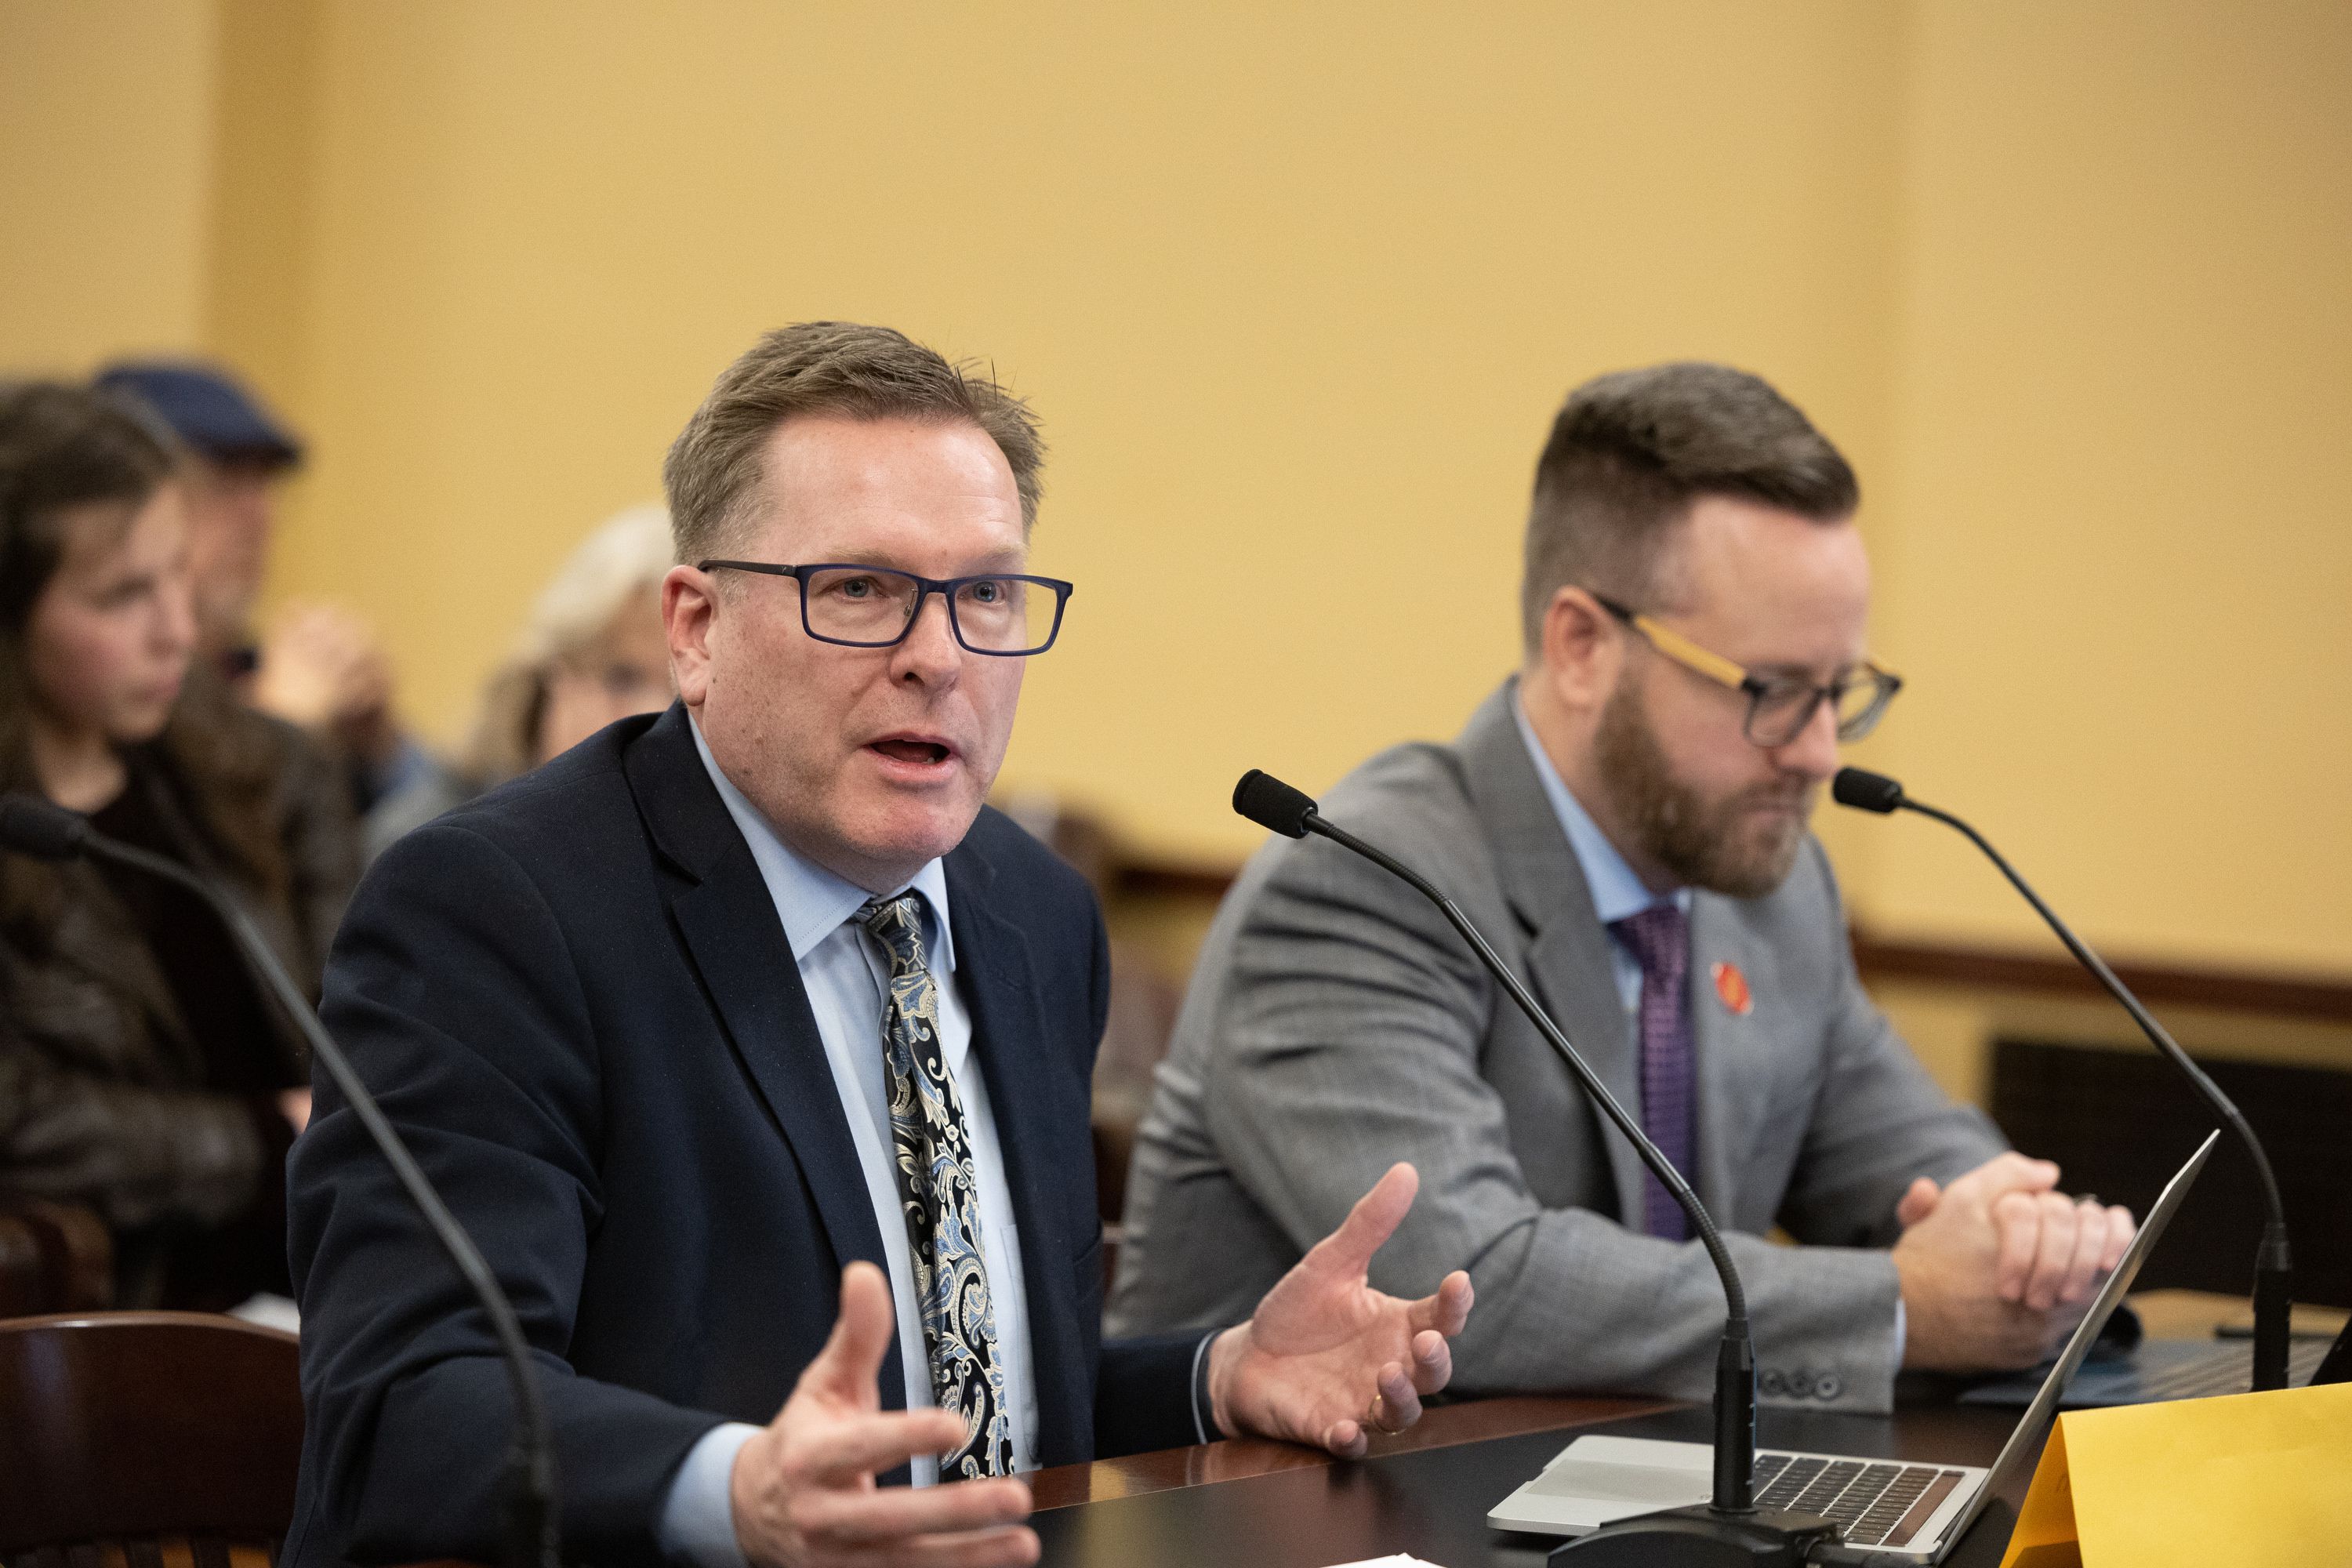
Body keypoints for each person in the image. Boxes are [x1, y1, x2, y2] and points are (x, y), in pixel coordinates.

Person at [285, 323, 1475, 1568]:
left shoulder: (1032, 911)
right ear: (693, 629)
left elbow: (972, 1408)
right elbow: (407, 1403)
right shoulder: (496, 909)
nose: (938, 658)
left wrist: (1218, 1379)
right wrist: (737, 1492)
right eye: (859, 590)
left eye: (987, 595)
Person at [1106, 362, 2136, 1415]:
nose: (1820, 752)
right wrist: (1907, 1308)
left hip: (1628, 1502)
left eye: (1842, 693)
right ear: (1585, 645)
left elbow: (1911, 1148)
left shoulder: (1765, 887)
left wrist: (2025, 1241)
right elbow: (1476, 1286)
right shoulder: (1364, 886)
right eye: (1776, 692)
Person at [0, 381, 355, 1309]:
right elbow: (22, 1115)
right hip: (119, 1323)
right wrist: (263, 1137)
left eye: (177, 575)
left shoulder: (267, 771)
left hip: (337, 1275)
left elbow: (368, 999)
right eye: (122, 596)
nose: (177, 630)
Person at [93, 361, 443, 831]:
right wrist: (282, 731)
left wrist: (378, 749)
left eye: (264, 485)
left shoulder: (248, 668)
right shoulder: (101, 692)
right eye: (223, 482)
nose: (258, 516)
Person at [362, 503, 678, 859]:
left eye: (681, 691)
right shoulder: (429, 844)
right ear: (554, 681)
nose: (657, 712)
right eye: (623, 679)